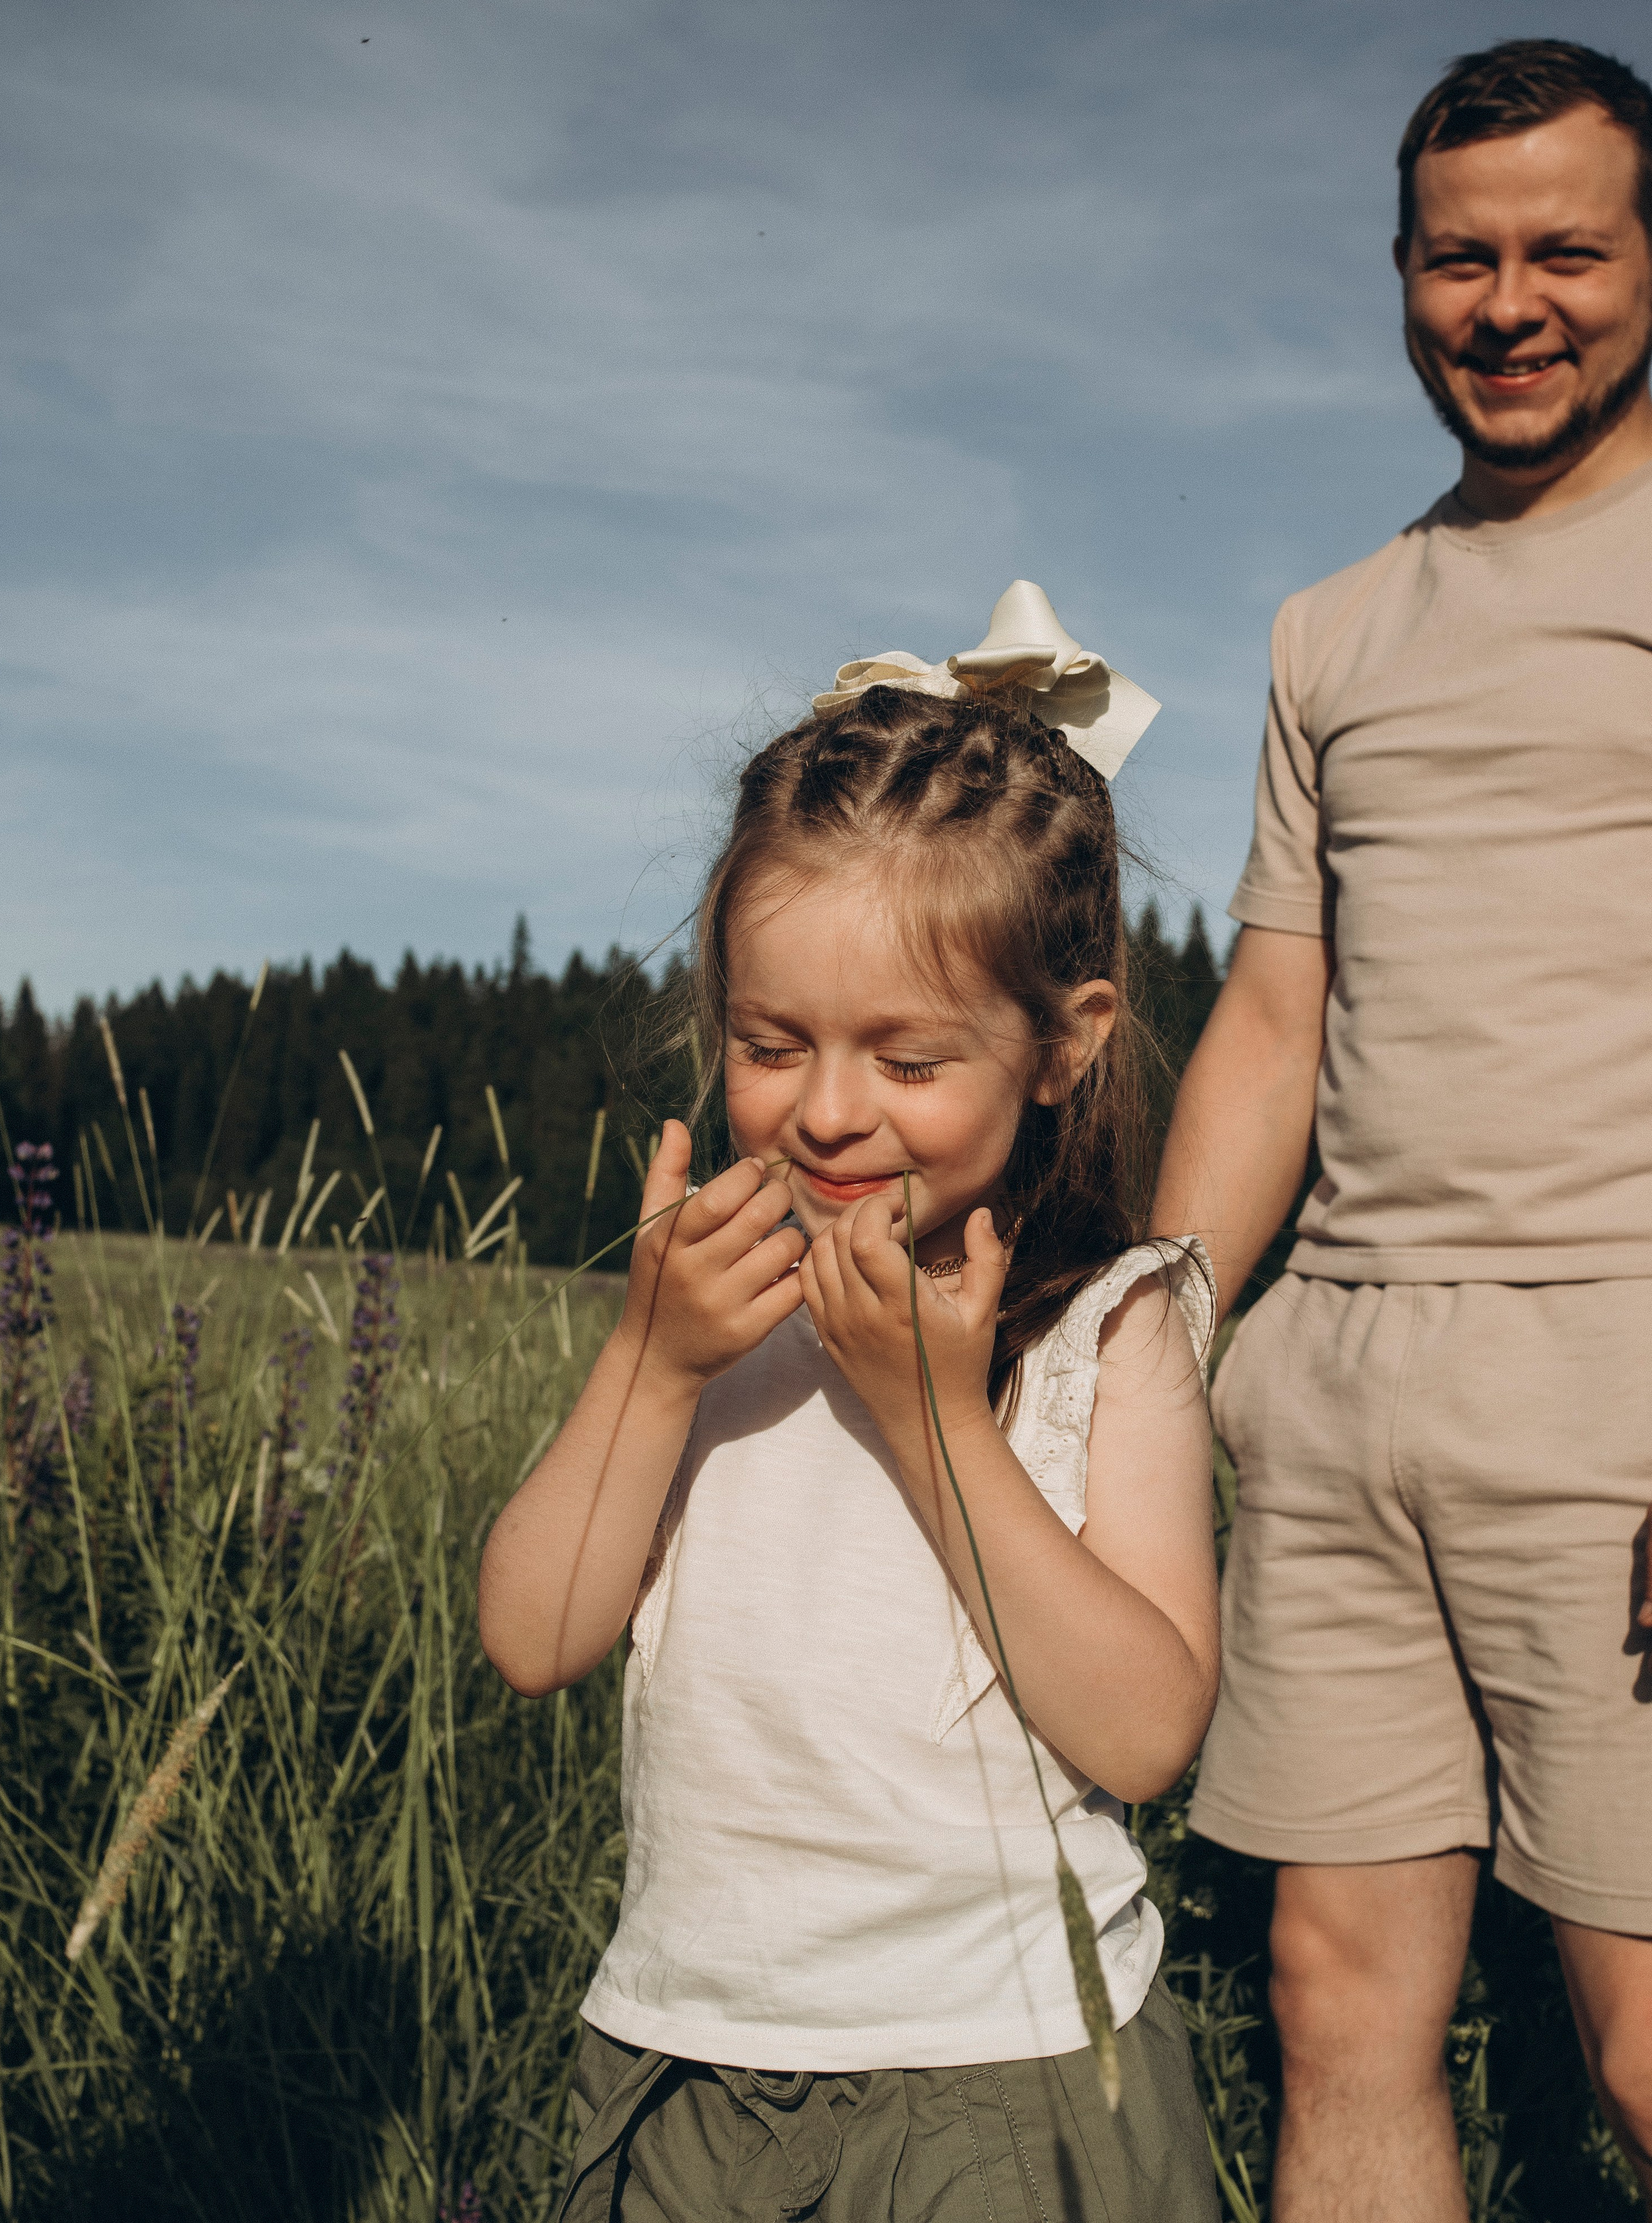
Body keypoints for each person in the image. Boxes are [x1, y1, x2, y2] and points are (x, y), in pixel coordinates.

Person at [480, 583, 1222, 2222]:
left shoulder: (1108, 1323)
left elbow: (1144, 1730)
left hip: (1004, 2080)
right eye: (769, 1041)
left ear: (1061, 1043)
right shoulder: (711, 1315)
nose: (824, 1112)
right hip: (684, 2057)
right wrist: (648, 1363)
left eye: (905, 1061)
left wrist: (934, 1413)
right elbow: (533, 1638)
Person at [1151, 38, 1652, 2223]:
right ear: (1400, 273)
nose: (1510, 302)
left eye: (1569, 249)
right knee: (1337, 1991)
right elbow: (1277, 1015)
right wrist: (1157, 1344)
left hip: (1617, 1367)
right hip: (1335, 1380)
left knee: (1643, 2017)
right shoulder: (1328, 628)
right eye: (1464, 257)